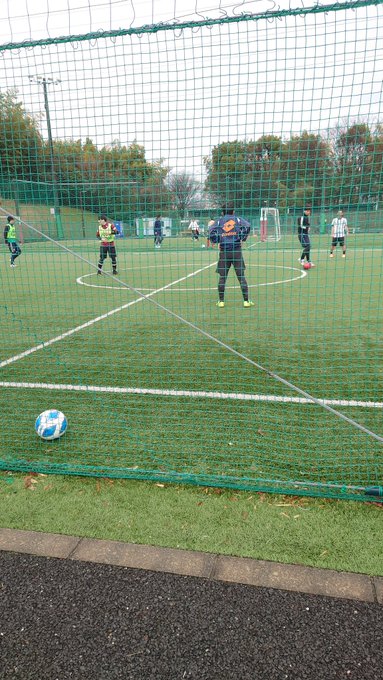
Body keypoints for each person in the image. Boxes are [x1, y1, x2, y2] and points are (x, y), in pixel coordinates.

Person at [208, 206, 254, 308]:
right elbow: (248, 226)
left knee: (222, 277)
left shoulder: (219, 221)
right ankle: (246, 301)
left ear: (223, 212)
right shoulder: (237, 219)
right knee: (241, 276)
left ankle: (221, 302)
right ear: (233, 211)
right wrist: (242, 237)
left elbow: (211, 230)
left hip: (224, 252)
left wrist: (216, 240)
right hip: (236, 251)